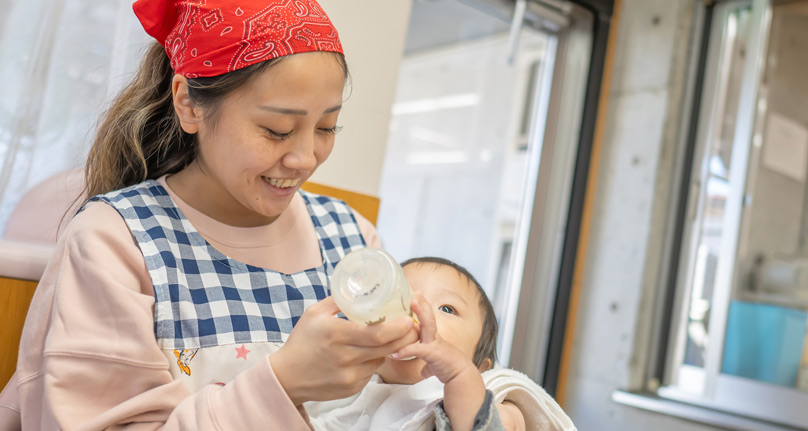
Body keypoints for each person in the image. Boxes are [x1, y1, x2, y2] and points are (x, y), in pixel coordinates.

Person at [0, 1, 428, 429]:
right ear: (188, 104)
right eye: (276, 130)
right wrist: (282, 382)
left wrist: (404, 370)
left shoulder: (352, 236)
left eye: (326, 128)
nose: (304, 158)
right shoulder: (116, 241)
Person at [306, 257, 576, 431]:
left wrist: (459, 376)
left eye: (446, 308)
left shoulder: (490, 401)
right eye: (405, 296)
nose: (418, 309)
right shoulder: (351, 392)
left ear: (480, 368)